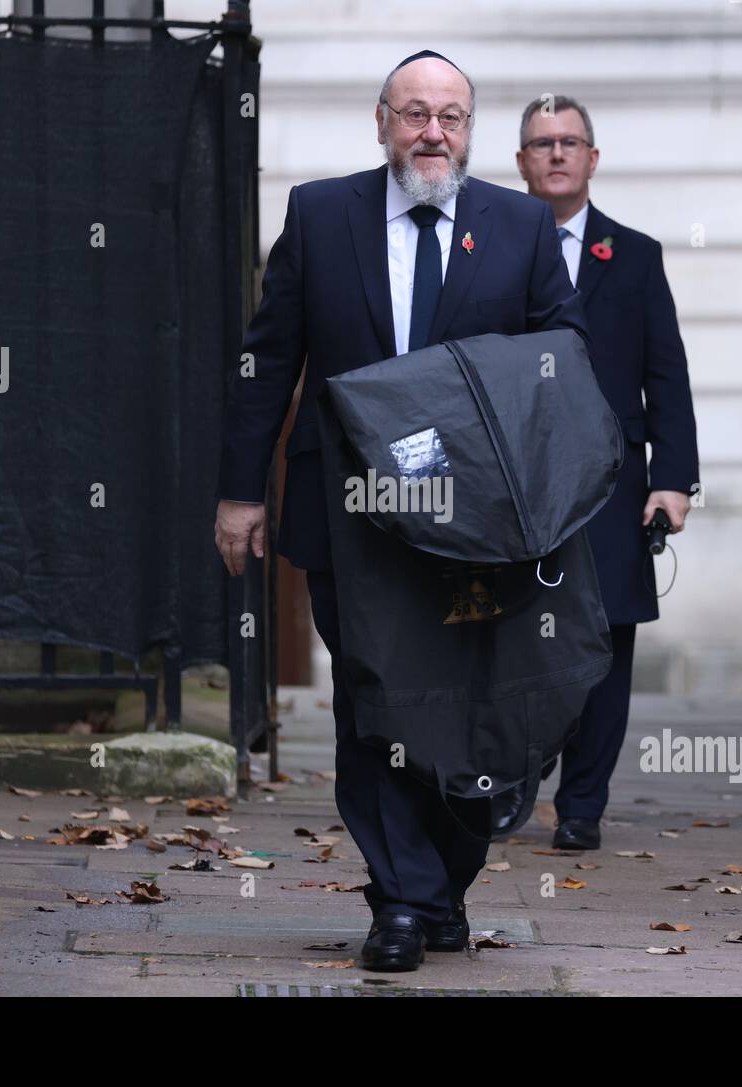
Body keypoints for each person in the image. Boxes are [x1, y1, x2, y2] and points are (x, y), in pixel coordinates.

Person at [213, 51, 587, 971]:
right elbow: (269, 359)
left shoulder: (520, 227)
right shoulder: (318, 214)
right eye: (415, 113)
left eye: (450, 117)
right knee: (372, 702)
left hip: (479, 522)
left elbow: (563, 358)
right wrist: (239, 489)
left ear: (471, 130)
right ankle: (404, 899)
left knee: (462, 708)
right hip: (355, 510)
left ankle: (443, 886)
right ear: (381, 122)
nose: (432, 132)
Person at [501, 94, 699, 849]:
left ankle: (582, 805)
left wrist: (674, 477)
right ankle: (510, 781)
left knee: (608, 638)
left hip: (614, 486)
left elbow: (667, 375)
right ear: (521, 161)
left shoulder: (636, 254)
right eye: (541, 143)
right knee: (511, 633)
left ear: (592, 158)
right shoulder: (481, 245)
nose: (556, 154)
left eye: (570, 142)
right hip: (514, 481)